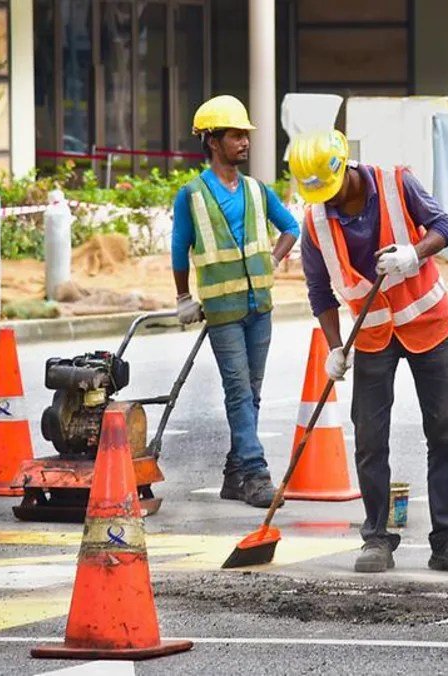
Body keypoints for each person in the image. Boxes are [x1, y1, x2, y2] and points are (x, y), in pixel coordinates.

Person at [287, 130, 448, 575]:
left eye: (331, 188)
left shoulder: (399, 184)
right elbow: (320, 290)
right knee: (370, 439)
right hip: (374, 336)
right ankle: (376, 538)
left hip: (427, 326)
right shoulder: (316, 220)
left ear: (345, 168)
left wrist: (414, 255)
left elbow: (444, 228)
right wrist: (335, 348)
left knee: (444, 431)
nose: (329, 200)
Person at [172, 95, 299, 508]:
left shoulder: (256, 190)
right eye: (235, 135)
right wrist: (183, 298)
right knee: (239, 392)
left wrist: (274, 260)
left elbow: (291, 227)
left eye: (246, 135)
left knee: (252, 392)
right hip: (223, 312)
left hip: (260, 307)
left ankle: (234, 475)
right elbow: (179, 250)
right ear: (212, 141)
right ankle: (257, 473)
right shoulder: (191, 195)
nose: (245, 142)